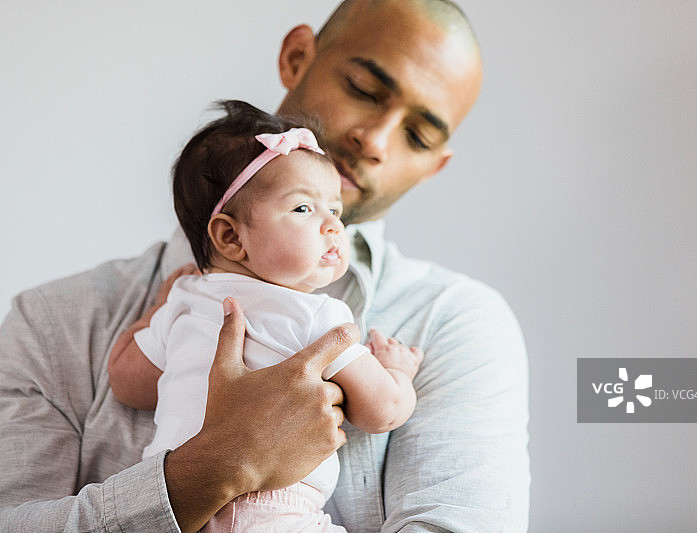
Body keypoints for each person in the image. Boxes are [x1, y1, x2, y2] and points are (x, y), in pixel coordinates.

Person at [0, 1, 530, 531]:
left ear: (434, 166)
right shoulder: (51, 322)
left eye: (417, 136)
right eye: (364, 90)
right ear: (297, 57)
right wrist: (214, 467)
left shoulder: (456, 324)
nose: (375, 141)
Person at [107, 101, 424, 532]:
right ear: (231, 236)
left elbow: (128, 383)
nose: (333, 226)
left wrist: (156, 312)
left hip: (176, 504)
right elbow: (382, 411)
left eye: (336, 210)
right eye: (303, 210)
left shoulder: (185, 299)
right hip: (275, 512)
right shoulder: (316, 314)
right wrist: (397, 372)